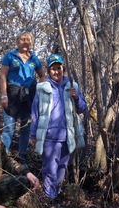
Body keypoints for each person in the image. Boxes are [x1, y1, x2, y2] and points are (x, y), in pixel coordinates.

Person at [30, 54, 87, 200]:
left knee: (61, 169)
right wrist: (33, 134)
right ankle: (50, 199)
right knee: (50, 170)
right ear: (48, 71)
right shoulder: (42, 88)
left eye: (58, 68)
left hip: (67, 136)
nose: (56, 71)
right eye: (53, 69)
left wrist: (76, 97)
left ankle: (57, 195)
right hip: (49, 136)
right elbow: (35, 112)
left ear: (63, 68)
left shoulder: (72, 86)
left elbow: (82, 108)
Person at [0, 30, 45, 164]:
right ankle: (3, 158)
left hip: (29, 96)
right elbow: (3, 76)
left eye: (28, 39)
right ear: (17, 41)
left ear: (31, 42)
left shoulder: (34, 58)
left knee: (25, 128)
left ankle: (22, 157)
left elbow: (42, 75)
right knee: (9, 128)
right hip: (12, 95)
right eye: (22, 39)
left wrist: (39, 92)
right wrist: (3, 95)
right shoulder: (10, 56)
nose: (25, 42)